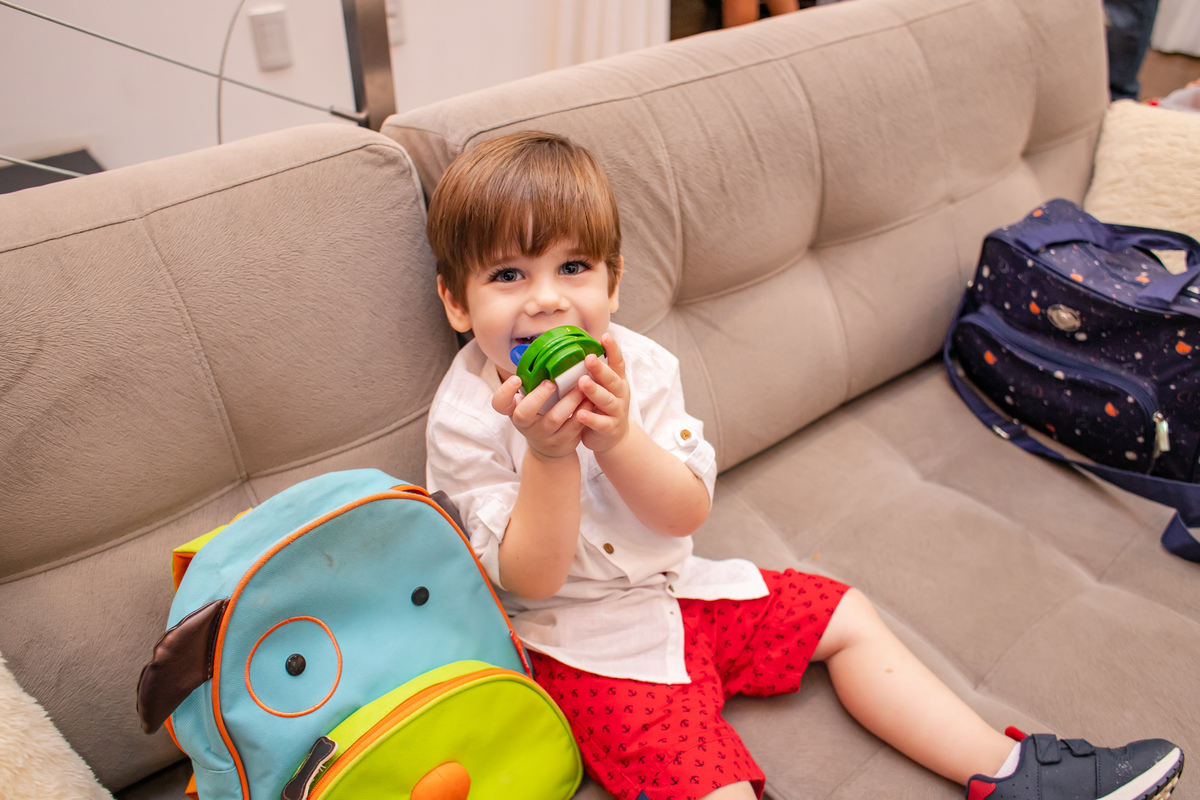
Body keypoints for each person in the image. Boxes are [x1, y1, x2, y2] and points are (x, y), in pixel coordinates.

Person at [423, 130, 1184, 800]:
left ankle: (1010, 770)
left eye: (573, 267)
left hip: (683, 591)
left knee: (843, 614)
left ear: (613, 283)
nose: (547, 302)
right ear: (458, 302)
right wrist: (550, 456)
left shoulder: (641, 369)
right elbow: (531, 581)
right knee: (712, 782)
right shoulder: (464, 420)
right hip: (588, 651)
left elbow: (684, 514)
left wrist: (618, 438)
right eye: (508, 276)